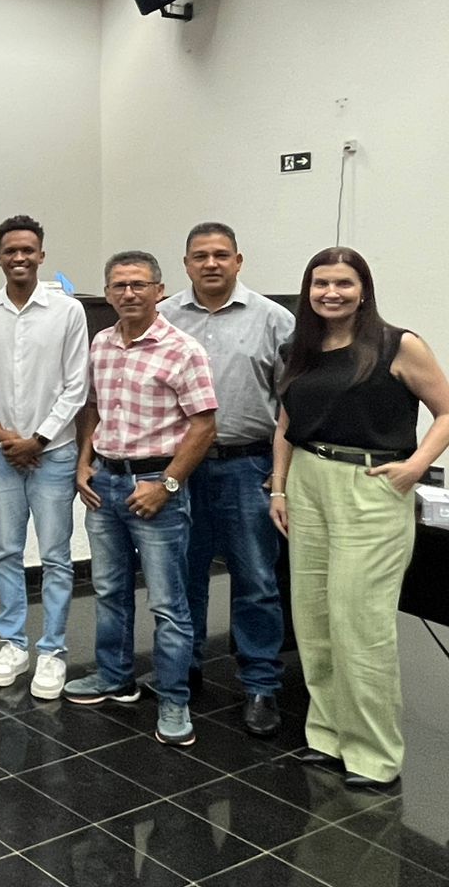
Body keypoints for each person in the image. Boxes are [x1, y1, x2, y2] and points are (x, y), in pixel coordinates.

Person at [270, 247, 449, 790]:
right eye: (320, 283)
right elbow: (285, 423)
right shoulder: (300, 348)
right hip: (306, 481)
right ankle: (328, 735)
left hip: (369, 488)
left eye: (343, 283)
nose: (331, 292)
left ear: (363, 288)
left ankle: (373, 754)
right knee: (316, 618)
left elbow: (446, 411)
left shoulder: (399, 344)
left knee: (360, 625)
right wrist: (278, 489)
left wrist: (416, 466)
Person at [68, 250, 216, 749]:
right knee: (108, 590)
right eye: (118, 286)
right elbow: (91, 408)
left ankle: (174, 696)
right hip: (105, 483)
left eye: (138, 285)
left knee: (169, 603)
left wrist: (168, 485)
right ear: (107, 293)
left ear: (159, 290)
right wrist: (84, 462)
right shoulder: (102, 343)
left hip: (156, 486)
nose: (128, 294)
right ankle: (114, 677)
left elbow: (204, 425)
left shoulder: (183, 349)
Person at [158, 222, 293, 735]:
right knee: (183, 575)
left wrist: (281, 473)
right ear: (186, 263)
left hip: (249, 466)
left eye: (221, 255)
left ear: (239, 260)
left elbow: (294, 404)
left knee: (256, 580)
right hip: (182, 467)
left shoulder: (275, 320)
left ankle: (260, 684)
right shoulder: (164, 317)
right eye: (200, 256)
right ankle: (184, 669)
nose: (210, 264)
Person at [0, 216, 89, 701]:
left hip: (53, 454)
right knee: (5, 551)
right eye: (10, 251)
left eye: (28, 250)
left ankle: (53, 650)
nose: (19, 257)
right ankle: (13, 643)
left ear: (41, 255)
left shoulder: (67, 311)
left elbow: (77, 385)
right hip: (0, 452)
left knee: (57, 556)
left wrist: (37, 439)